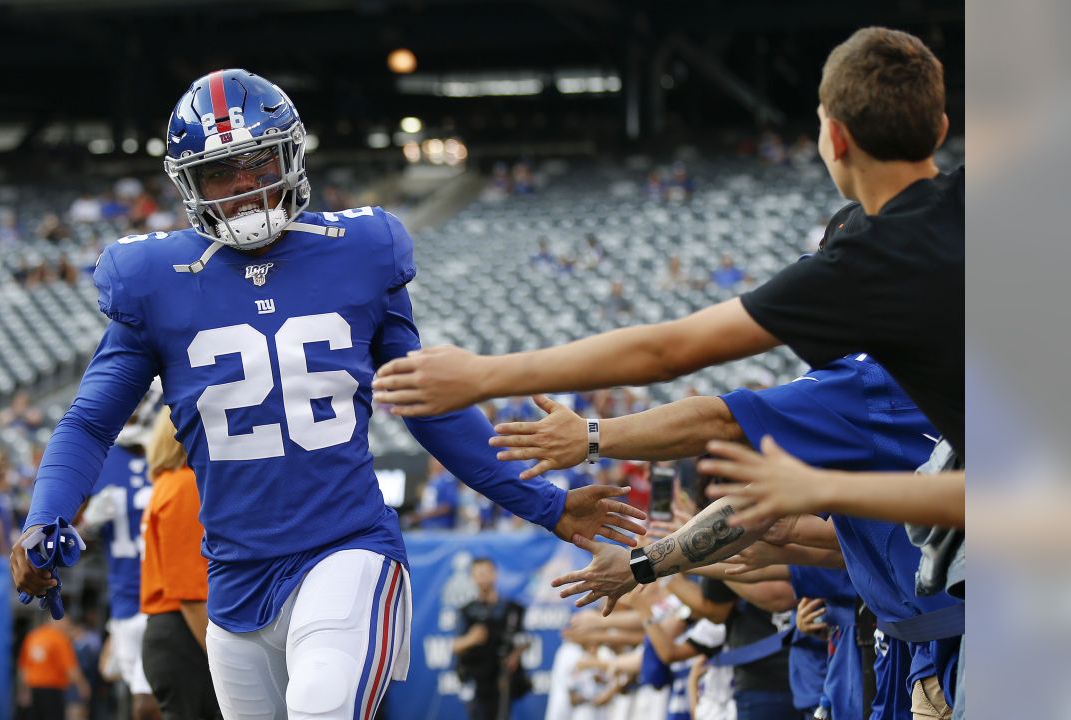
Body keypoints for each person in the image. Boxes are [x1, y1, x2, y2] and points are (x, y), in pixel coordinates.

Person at [12, 68, 646, 720]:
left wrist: (545, 505)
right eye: (219, 174)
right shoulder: (155, 278)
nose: (243, 189)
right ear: (188, 185)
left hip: (345, 548)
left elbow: (428, 407)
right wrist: (46, 512)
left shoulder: (359, 249)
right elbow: (91, 423)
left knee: (322, 706)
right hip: (231, 581)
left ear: (290, 154)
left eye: (257, 163)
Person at [373, 26, 964, 526]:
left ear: (834, 139)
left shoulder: (862, 267)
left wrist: (483, 376)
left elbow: (668, 350)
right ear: (940, 129)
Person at [491, 351, 962, 718]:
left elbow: (717, 417)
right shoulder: (927, 374)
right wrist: (648, 564)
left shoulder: (863, 381)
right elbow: (771, 518)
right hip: (913, 640)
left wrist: (592, 436)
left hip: (939, 638)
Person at [78, 384, 163, 720]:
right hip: (126, 598)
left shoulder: (175, 448)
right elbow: (67, 539)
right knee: (139, 699)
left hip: (169, 595)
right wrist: (87, 525)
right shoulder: (102, 456)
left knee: (149, 703)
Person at [139, 409, 220, 720]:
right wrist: (220, 657)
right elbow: (189, 590)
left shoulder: (165, 485)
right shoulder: (185, 485)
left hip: (171, 631)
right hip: (185, 630)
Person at [451, 557, 530, 720]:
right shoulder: (467, 611)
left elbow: (524, 638)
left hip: (503, 681)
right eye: (478, 574)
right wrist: (471, 639)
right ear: (471, 578)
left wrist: (515, 654)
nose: (482, 578)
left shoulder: (512, 609)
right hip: (477, 682)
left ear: (495, 574)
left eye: (486, 573)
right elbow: (455, 646)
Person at [18, 611, 91, 720]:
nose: (68, 627)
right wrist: (82, 685)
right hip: (52, 690)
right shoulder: (59, 639)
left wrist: (23, 690)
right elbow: (71, 669)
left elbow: (23, 668)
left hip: (34, 689)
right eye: (66, 623)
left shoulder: (33, 636)